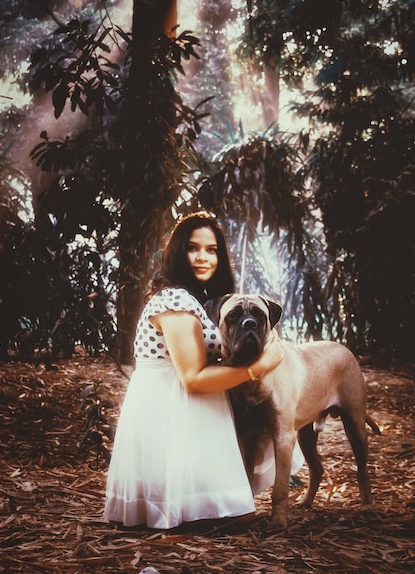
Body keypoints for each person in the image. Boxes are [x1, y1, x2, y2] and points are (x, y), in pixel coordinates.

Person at [104, 211, 287, 529]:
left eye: (212, 249)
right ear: (177, 252)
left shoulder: (196, 300)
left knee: (232, 513)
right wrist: (259, 368)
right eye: (193, 247)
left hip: (189, 412)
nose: (203, 257)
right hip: (172, 413)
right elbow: (192, 378)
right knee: (231, 518)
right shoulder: (175, 301)